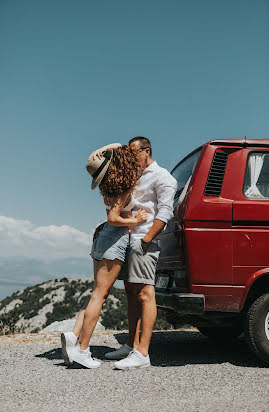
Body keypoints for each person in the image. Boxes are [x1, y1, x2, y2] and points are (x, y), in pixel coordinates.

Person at [61, 145, 148, 369]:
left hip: (101, 241)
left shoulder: (107, 186)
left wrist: (100, 152)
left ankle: (75, 337)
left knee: (96, 294)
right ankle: (82, 350)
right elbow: (113, 218)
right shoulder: (124, 186)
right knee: (100, 296)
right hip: (114, 241)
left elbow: (119, 145)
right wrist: (135, 222)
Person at [96, 137, 177, 370]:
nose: (130, 158)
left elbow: (166, 212)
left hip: (144, 241)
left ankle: (142, 353)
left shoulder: (163, 177)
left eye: (134, 153)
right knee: (131, 293)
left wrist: (146, 240)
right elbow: (109, 151)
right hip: (129, 239)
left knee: (145, 294)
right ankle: (131, 346)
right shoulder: (136, 174)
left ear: (147, 151)